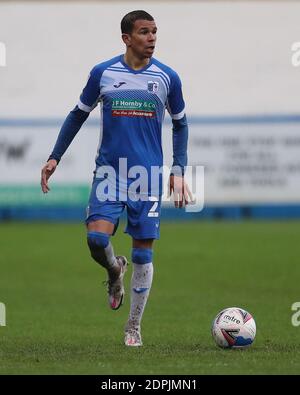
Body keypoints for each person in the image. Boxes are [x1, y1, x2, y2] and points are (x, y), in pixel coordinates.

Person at [40, 10, 191, 347]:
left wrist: (179, 169)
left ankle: (132, 327)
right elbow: (77, 114)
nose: (151, 38)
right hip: (110, 171)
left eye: (154, 32)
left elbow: (181, 123)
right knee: (95, 240)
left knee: (143, 252)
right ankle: (113, 270)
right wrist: (54, 156)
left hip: (147, 175)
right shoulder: (103, 73)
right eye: (143, 32)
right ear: (126, 38)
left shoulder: (168, 78)